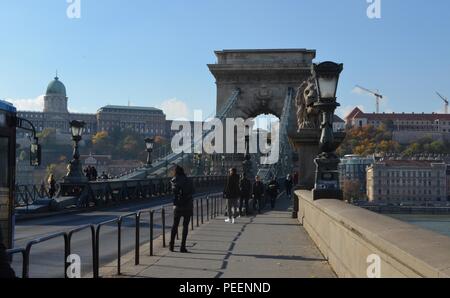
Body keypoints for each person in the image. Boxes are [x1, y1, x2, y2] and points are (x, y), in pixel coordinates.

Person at [169, 165, 194, 253]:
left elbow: (173, 192)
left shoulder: (173, 181)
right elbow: (193, 191)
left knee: (175, 225)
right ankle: (182, 246)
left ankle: (171, 245)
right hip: (188, 204)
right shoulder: (189, 180)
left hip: (178, 205)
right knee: (185, 226)